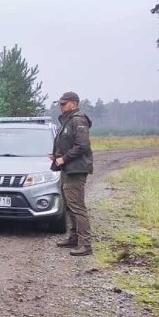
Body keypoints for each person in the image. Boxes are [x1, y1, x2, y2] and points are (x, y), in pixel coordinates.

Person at [49, 91, 94, 256]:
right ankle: (74, 237)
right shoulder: (68, 120)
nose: (60, 106)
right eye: (59, 104)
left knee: (77, 207)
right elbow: (69, 143)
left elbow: (82, 146)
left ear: (73, 104)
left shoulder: (78, 120)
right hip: (68, 169)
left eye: (63, 103)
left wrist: (64, 159)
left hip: (76, 169)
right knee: (69, 205)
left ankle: (85, 244)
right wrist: (56, 155)